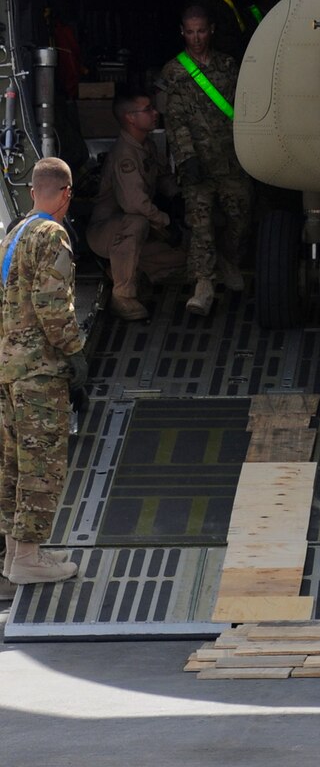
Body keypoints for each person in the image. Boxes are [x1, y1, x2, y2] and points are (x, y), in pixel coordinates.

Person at [0, 157, 86, 586]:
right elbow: (54, 307)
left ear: (33, 190)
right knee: (41, 464)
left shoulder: (14, 234)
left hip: (9, 370)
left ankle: (17, 554)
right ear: (66, 194)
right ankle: (29, 558)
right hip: (38, 371)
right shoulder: (52, 234)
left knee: (13, 465)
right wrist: (75, 353)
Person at [154, 6, 253, 319]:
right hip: (196, 162)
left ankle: (227, 259)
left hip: (231, 160)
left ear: (211, 30)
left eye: (201, 31)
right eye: (190, 31)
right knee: (201, 226)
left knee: (241, 215)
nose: (196, 38)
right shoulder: (174, 72)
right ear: (182, 32)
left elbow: (245, 107)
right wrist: (186, 158)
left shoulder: (228, 66)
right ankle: (204, 287)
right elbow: (175, 120)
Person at [85, 96, 188, 320]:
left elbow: (162, 176)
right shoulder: (125, 156)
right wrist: (166, 222)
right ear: (130, 118)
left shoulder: (146, 145)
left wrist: (179, 198)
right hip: (107, 232)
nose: (155, 113)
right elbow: (134, 204)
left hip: (134, 232)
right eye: (147, 110)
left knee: (185, 255)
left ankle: (126, 270)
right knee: (137, 221)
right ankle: (123, 296)